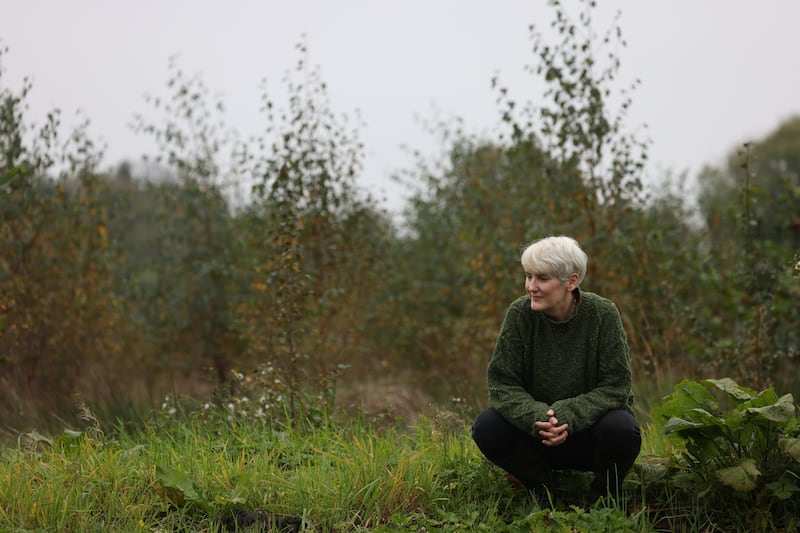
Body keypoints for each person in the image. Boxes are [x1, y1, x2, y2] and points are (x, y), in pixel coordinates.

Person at [471, 235, 641, 506]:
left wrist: (567, 415)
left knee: (622, 428)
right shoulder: (520, 314)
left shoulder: (603, 314)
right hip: (536, 436)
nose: (531, 287)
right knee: (487, 425)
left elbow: (616, 386)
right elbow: (501, 384)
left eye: (542, 278)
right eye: (528, 277)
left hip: (588, 436)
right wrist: (539, 417)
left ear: (571, 281)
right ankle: (541, 487)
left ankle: (602, 498)